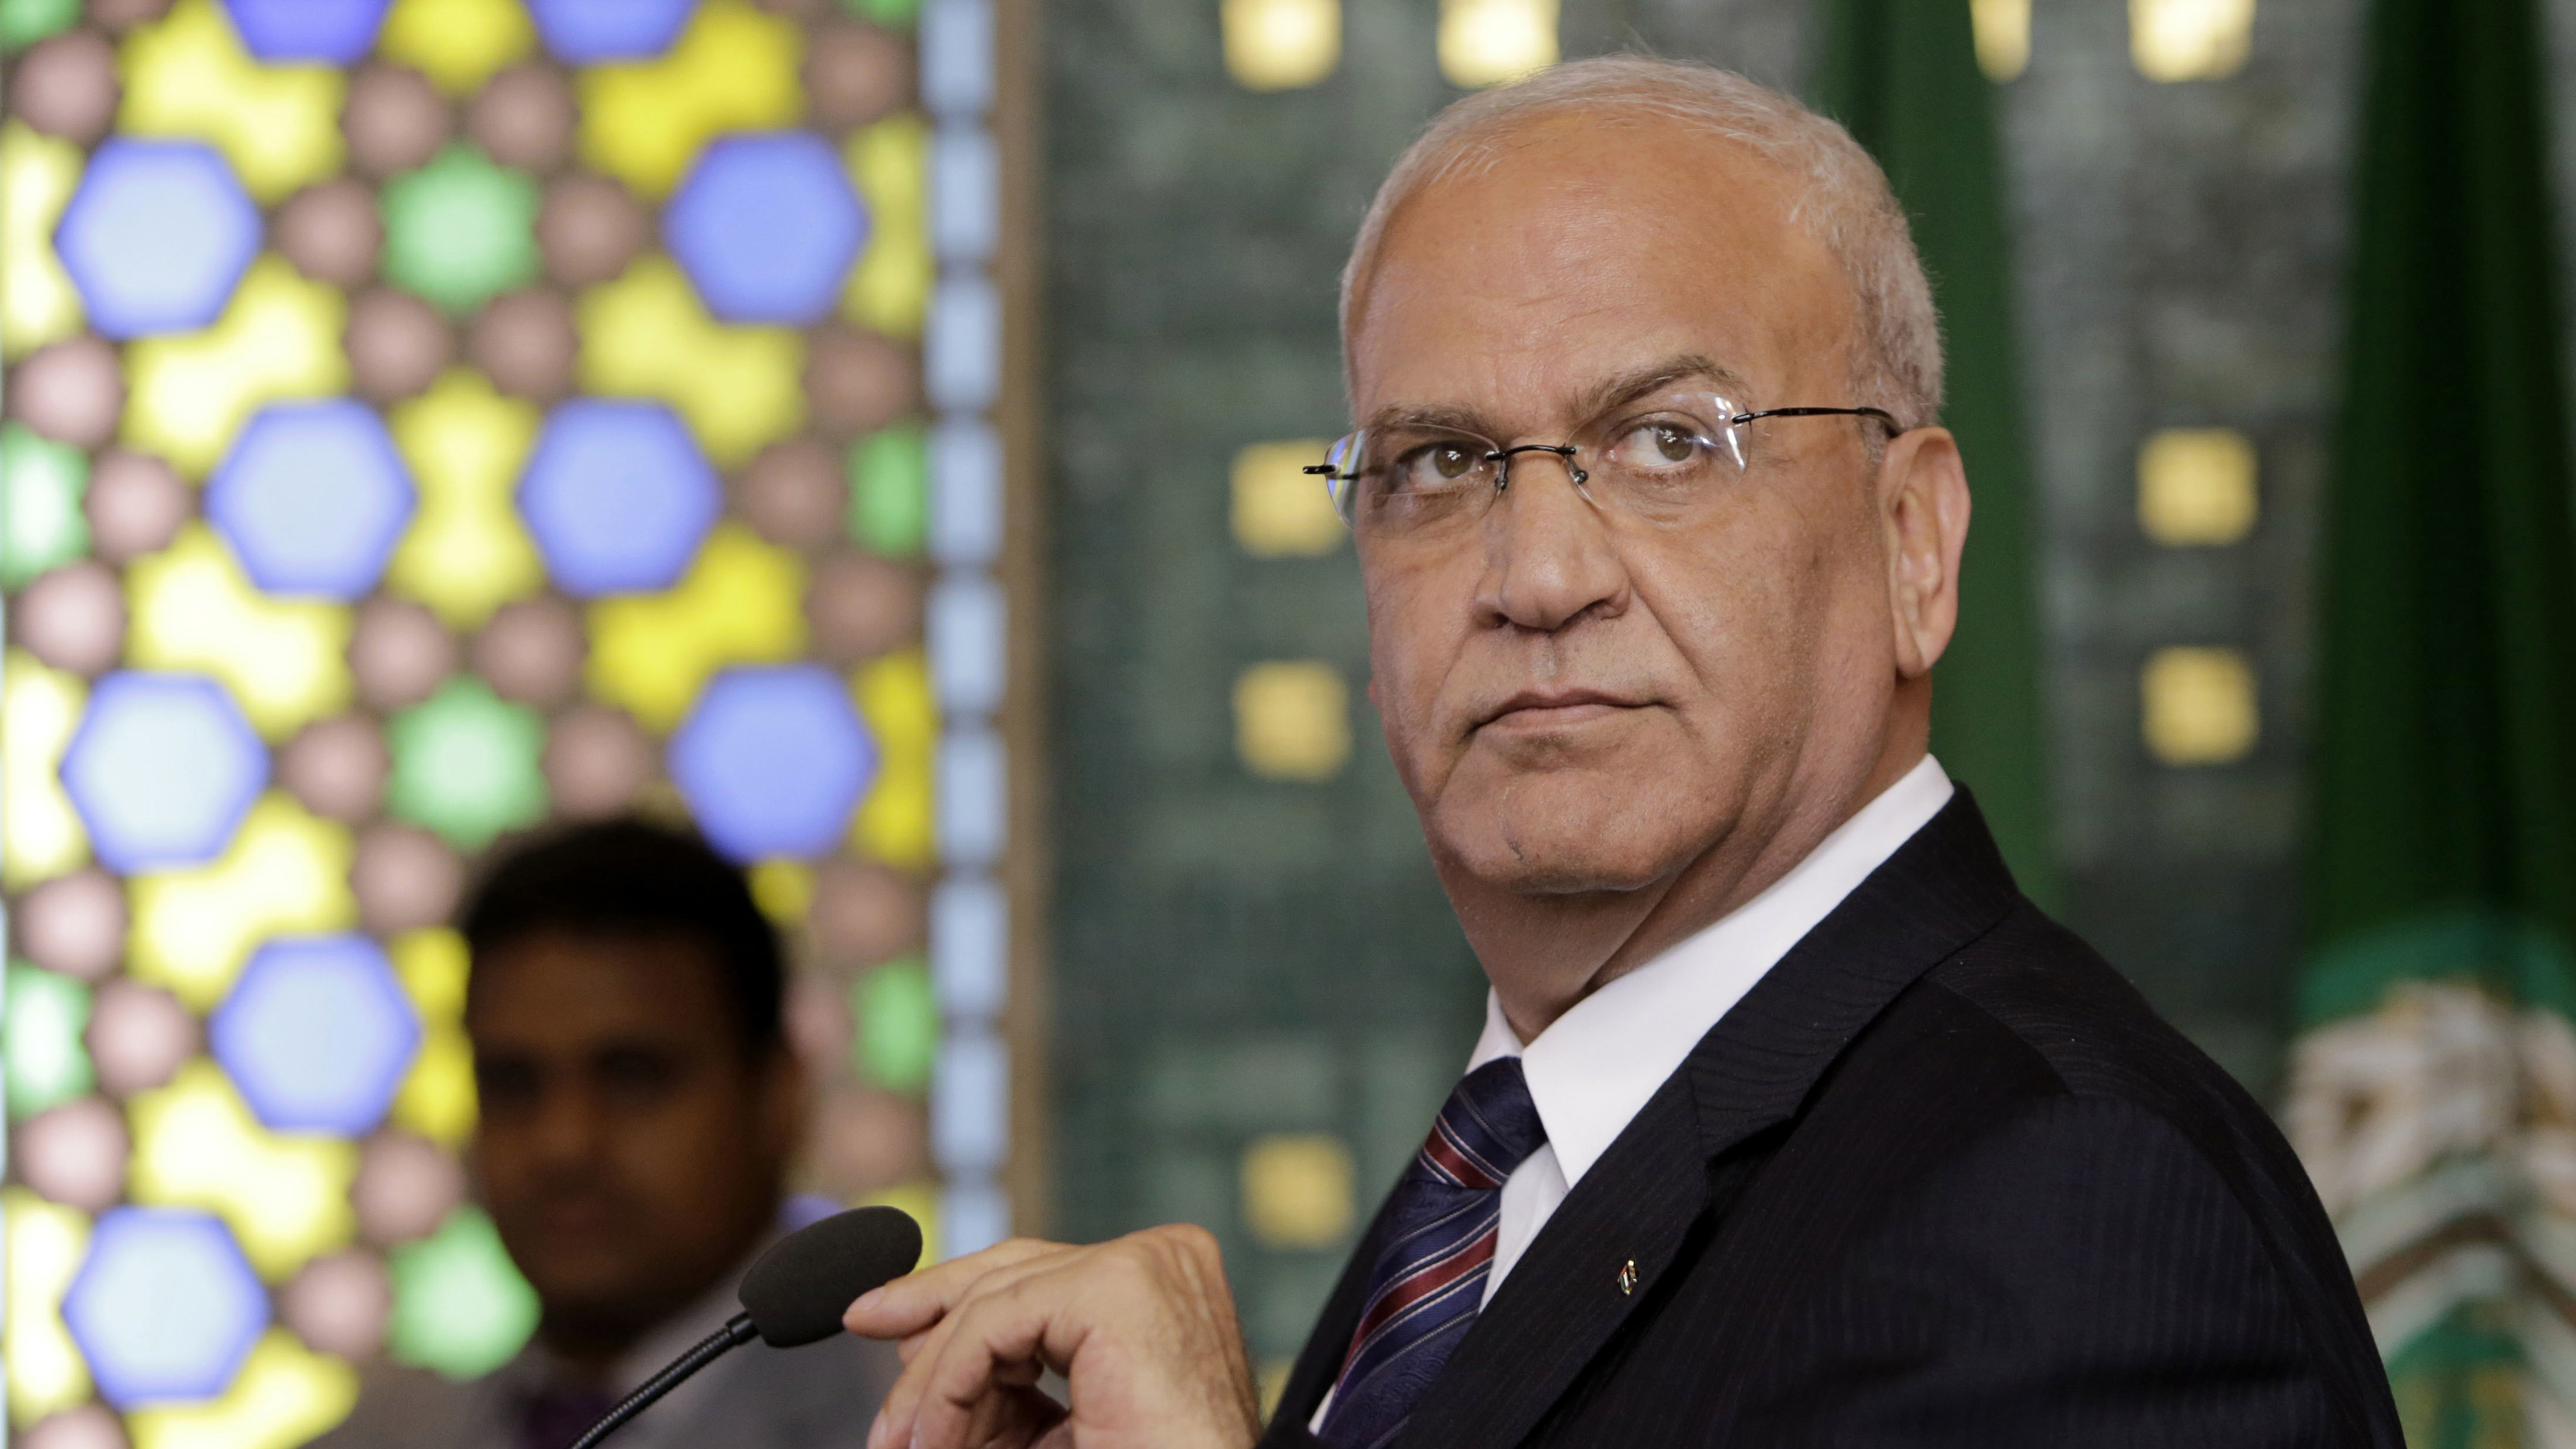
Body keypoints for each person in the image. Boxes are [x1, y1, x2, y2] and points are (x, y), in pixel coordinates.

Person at [842, 57, 2404, 1449]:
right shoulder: (1513, 1160)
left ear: (1911, 542)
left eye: (1668, 442)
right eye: (1439, 463)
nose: (1533, 575)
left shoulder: (2056, 1197)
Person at [311, 819, 899, 1449]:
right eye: (513, 1082)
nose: (563, 1143)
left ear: (779, 1095)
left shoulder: (934, 1423)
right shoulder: (377, 1436)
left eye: (633, 1076)